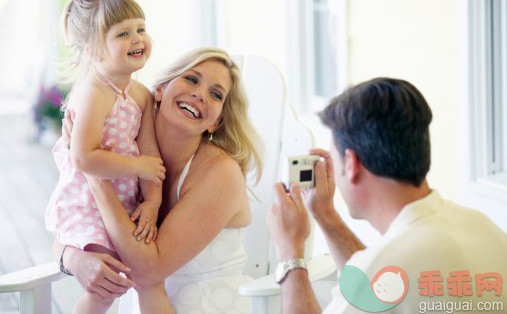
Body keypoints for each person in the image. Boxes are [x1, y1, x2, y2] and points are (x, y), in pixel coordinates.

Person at [267, 77, 507, 313]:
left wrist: (290, 251)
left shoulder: (390, 264)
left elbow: (377, 276)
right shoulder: (484, 227)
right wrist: (324, 214)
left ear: (351, 164)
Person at [56, 47, 264, 313]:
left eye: (215, 94)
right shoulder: (124, 153)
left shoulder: (221, 173)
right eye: (191, 79)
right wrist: (73, 258)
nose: (200, 95)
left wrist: (96, 177)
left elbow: (147, 273)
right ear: (161, 89)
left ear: (216, 122)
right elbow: (69, 223)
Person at [45, 0, 172, 313]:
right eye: (123, 33)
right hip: (88, 203)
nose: (137, 39)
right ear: (94, 50)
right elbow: (83, 157)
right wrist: (138, 168)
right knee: (108, 283)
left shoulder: (141, 94)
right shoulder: (93, 92)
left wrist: (153, 202)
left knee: (143, 274)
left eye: (141, 29)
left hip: (125, 203)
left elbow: (150, 157)